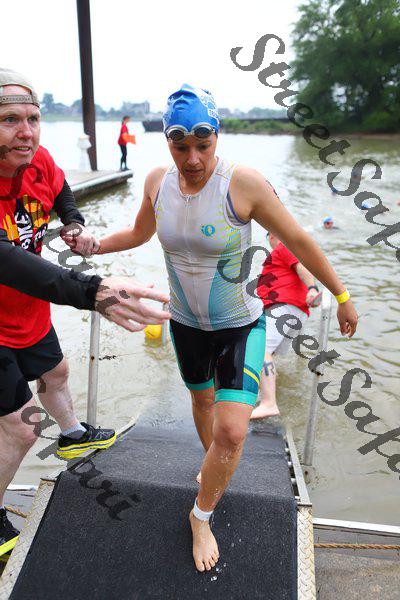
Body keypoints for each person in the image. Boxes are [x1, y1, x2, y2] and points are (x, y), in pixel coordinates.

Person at [89, 84, 358, 572]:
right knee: (203, 404)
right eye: (180, 146)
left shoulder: (243, 183)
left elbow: (298, 239)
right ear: (168, 142)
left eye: (203, 144)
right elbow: (139, 233)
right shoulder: (157, 182)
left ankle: (201, 516)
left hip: (240, 324)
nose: (193, 158)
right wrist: (94, 244)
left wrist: (340, 295)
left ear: (217, 135)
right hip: (186, 325)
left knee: (232, 430)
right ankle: (210, 475)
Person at [0, 69, 170, 557]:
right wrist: (93, 289)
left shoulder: (37, 160)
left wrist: (72, 221)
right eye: (10, 120)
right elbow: (8, 261)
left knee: (56, 372)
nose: (26, 132)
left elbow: (61, 192)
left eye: (33, 119)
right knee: (22, 427)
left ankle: (73, 435)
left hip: (27, 309)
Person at [251, 232, 321, 420]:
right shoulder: (284, 254)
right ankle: (270, 391)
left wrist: (312, 288)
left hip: (284, 305)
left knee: (260, 349)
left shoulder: (285, 245)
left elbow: (301, 266)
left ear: (272, 235)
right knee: (270, 353)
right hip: (296, 310)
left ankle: (269, 403)